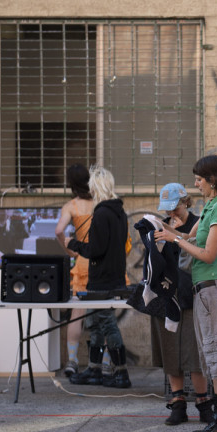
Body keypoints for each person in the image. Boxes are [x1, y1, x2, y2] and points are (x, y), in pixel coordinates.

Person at [154, 154, 217, 432]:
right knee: (212, 359)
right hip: (204, 292)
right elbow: (187, 237)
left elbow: (208, 254)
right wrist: (164, 231)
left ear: (213, 180)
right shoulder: (209, 208)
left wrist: (175, 240)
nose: (196, 184)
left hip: (215, 291)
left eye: (199, 179)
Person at [153, 182, 213, 426]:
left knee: (194, 352)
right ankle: (177, 403)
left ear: (186, 202)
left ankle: (203, 403)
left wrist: (177, 237)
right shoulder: (160, 226)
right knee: (170, 350)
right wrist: (163, 237)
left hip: (191, 294)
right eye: (167, 209)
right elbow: (154, 259)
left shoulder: (199, 223)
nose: (171, 213)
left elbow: (202, 254)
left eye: (175, 208)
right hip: (167, 294)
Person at [65, 166, 131, 388]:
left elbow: (96, 250)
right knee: (95, 323)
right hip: (112, 278)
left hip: (102, 280)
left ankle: (121, 372)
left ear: (96, 188)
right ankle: (94, 369)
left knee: (106, 323)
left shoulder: (102, 214)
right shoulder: (119, 213)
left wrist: (73, 244)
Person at [55, 164, 95, 376]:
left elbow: (59, 231)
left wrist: (71, 251)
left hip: (82, 262)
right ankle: (106, 362)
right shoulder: (100, 203)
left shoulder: (71, 206)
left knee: (77, 314)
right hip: (102, 262)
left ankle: (72, 360)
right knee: (105, 315)